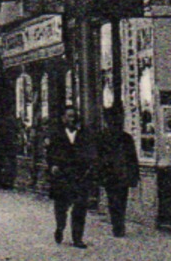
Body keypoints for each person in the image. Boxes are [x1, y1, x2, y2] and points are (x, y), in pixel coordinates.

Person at [45, 106, 94, 248]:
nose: (72, 119)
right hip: (62, 175)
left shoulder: (84, 134)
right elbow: (50, 153)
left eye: (74, 116)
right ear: (63, 118)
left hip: (79, 176)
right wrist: (53, 165)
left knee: (80, 207)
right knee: (61, 206)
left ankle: (77, 238)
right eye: (69, 116)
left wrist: (89, 167)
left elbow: (90, 152)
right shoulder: (56, 135)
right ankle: (60, 227)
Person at [95, 105, 140, 236]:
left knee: (116, 200)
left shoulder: (121, 138)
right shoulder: (116, 137)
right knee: (117, 199)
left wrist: (134, 174)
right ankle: (118, 224)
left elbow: (132, 158)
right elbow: (99, 157)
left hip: (117, 173)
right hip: (115, 173)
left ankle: (118, 224)